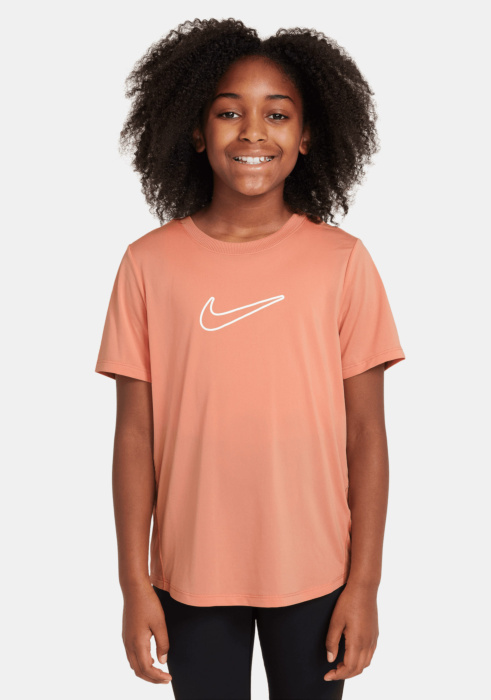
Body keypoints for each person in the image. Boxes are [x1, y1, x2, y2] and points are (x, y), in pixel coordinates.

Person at [94, 17, 406, 700]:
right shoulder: (148, 266)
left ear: (308, 135)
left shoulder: (342, 263)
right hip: (191, 574)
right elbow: (135, 436)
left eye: (278, 114)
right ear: (195, 130)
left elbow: (366, 433)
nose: (253, 132)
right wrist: (132, 585)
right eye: (229, 112)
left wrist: (365, 584)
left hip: (317, 572)